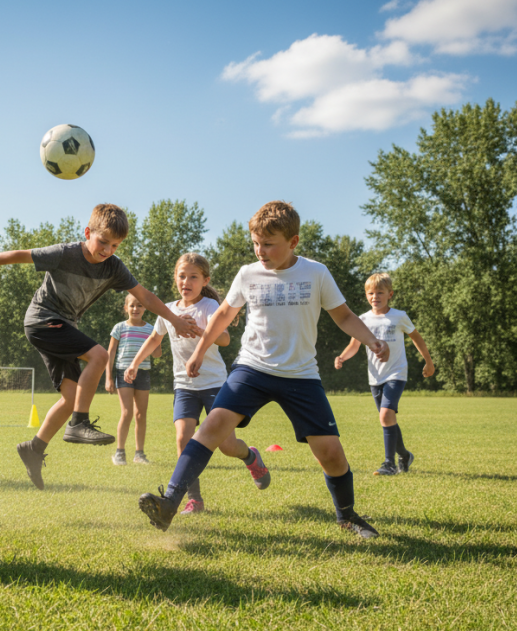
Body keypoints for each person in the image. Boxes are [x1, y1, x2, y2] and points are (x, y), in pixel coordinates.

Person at [138, 201, 390, 538]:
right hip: (252, 369)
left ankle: (347, 516)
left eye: (269, 244)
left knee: (330, 452)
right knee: (211, 428)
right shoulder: (247, 273)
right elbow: (224, 315)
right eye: (256, 243)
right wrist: (199, 351)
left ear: (294, 242)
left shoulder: (316, 273)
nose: (261, 251)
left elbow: (343, 315)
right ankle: (170, 502)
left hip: (301, 374)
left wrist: (371, 339)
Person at [0, 203, 200, 490]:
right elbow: (22, 255)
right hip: (43, 320)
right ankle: (79, 423)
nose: (107, 250)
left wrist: (174, 320)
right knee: (100, 355)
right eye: (103, 241)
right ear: (88, 232)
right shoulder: (65, 254)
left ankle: (34, 449)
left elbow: (146, 297)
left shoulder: (114, 267)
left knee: (70, 396)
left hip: (64, 326)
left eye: (115, 245)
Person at [125, 252, 269, 515]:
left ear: (205, 281)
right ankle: (194, 500)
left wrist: (200, 332)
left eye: (193, 277)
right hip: (184, 386)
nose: (186, 281)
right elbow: (154, 340)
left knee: (226, 446)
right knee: (183, 438)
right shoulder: (168, 311)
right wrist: (134, 363)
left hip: (215, 384)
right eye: (182, 276)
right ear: (175, 280)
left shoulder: (209, 308)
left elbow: (224, 339)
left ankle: (250, 456)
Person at [334, 272, 435, 476]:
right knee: (387, 419)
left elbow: (416, 338)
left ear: (390, 294)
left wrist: (428, 361)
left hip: (396, 373)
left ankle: (389, 464)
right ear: (366, 295)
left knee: (386, 414)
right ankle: (404, 455)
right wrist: (343, 357)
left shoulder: (399, 316)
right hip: (375, 377)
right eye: (370, 293)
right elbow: (354, 345)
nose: (375, 297)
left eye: (380, 293)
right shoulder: (362, 319)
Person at [106, 293, 160, 466]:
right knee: (127, 412)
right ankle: (119, 453)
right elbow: (111, 353)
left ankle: (139, 454)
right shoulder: (119, 328)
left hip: (143, 372)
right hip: (124, 372)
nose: (136, 309)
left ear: (145, 308)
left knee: (140, 414)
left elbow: (157, 354)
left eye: (140, 305)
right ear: (126, 308)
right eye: (132, 305)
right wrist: (108, 377)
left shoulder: (151, 329)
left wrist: (160, 338)